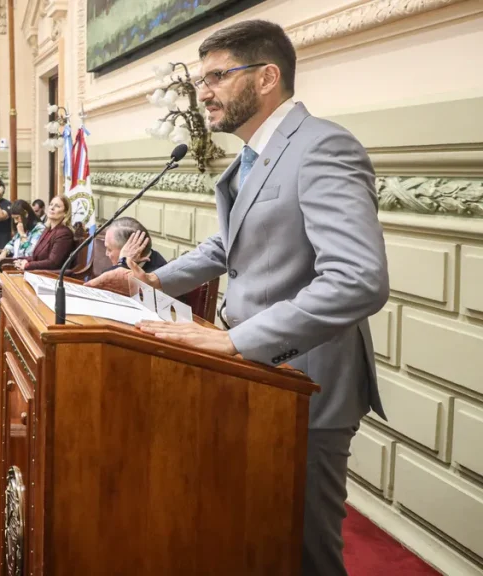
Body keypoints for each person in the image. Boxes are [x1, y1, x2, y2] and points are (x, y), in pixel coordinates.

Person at [126, 21, 389, 576]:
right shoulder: (255, 155)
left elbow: (358, 279)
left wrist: (235, 341)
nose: (204, 93)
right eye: (202, 79)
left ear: (268, 77)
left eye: (218, 76)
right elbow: (231, 243)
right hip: (257, 377)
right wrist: (153, 282)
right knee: (258, 532)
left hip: (306, 383)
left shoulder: (323, 146)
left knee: (303, 550)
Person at [12, 195, 74, 272]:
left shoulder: (64, 233)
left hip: (50, 277)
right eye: (51, 204)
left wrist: (28, 265)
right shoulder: (47, 230)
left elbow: (53, 263)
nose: (52, 208)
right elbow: (36, 256)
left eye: (57, 206)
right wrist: (21, 260)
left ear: (65, 213)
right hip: (38, 273)